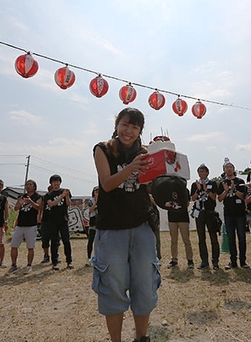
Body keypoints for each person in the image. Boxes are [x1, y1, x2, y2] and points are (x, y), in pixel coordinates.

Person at [91, 107, 160, 342]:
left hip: (141, 227)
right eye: (125, 124)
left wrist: (164, 161)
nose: (129, 131)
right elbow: (107, 184)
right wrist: (131, 168)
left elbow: (150, 187)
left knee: (144, 287)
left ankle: (142, 338)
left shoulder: (145, 153)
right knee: (113, 289)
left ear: (140, 130)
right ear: (117, 123)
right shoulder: (102, 149)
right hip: (111, 230)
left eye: (135, 127)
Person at [218, 159, 248, 269]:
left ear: (234, 169)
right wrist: (226, 190)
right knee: (230, 238)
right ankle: (233, 261)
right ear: (224, 170)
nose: (229, 169)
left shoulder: (240, 181)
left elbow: (243, 196)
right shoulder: (222, 183)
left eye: (231, 167)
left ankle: (243, 261)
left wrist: (234, 190)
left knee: (242, 237)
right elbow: (220, 199)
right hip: (228, 214)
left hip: (240, 213)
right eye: (226, 167)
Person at [7, 180, 42, 275]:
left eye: (30, 184)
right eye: (27, 184)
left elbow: (38, 207)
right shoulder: (22, 196)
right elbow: (16, 208)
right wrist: (20, 203)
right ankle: (13, 265)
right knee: (14, 246)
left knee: (30, 247)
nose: (28, 186)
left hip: (31, 225)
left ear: (34, 187)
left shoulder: (37, 197)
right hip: (20, 225)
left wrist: (30, 201)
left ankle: (29, 265)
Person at [190, 164, 220, 270]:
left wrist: (206, 189)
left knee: (213, 237)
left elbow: (213, 197)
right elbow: (193, 198)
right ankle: (204, 261)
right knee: (201, 237)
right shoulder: (195, 184)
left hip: (210, 212)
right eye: (199, 171)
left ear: (207, 172)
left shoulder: (212, 183)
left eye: (203, 171)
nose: (201, 173)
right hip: (199, 212)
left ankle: (215, 261)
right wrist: (198, 190)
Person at [42, 174, 74, 270]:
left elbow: (68, 204)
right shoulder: (48, 195)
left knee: (66, 241)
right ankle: (54, 262)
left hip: (63, 220)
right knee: (54, 242)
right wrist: (61, 197)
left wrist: (67, 196)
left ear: (60, 182)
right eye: (54, 181)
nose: (56, 183)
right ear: (51, 183)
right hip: (52, 221)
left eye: (57, 181)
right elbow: (51, 204)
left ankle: (69, 261)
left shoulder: (65, 191)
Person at [86, 186, 99, 266]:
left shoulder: (104, 199)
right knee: (90, 240)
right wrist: (96, 201)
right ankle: (89, 258)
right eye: (96, 191)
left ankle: (99, 258)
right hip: (93, 221)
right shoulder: (91, 200)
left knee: (100, 242)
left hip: (100, 222)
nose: (97, 192)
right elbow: (90, 209)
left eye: (99, 191)